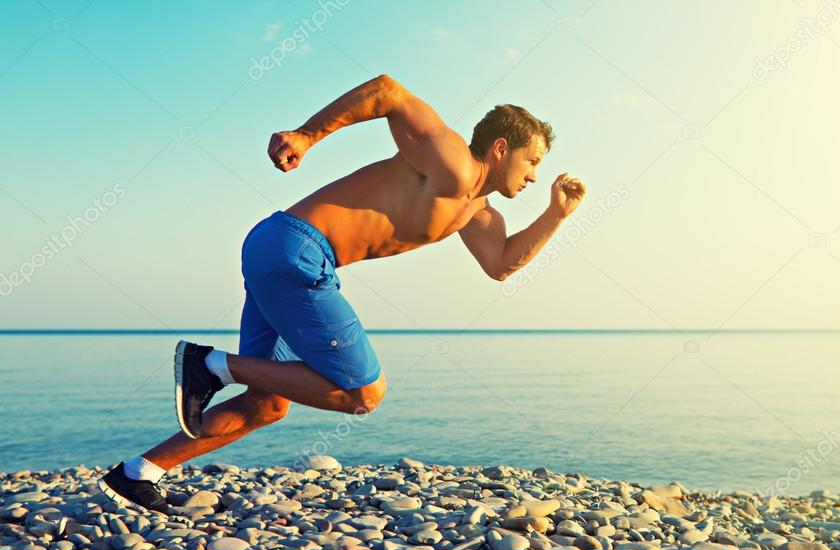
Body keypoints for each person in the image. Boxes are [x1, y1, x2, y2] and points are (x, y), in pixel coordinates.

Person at [98, 74, 587, 514]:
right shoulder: (453, 162)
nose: (535, 175)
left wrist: (556, 215)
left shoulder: (479, 213)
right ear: (500, 148)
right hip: (298, 250)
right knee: (363, 394)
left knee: (266, 405)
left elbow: (501, 265)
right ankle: (211, 365)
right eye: (532, 161)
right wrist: (305, 136)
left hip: (279, 251)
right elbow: (388, 92)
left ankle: (140, 472)